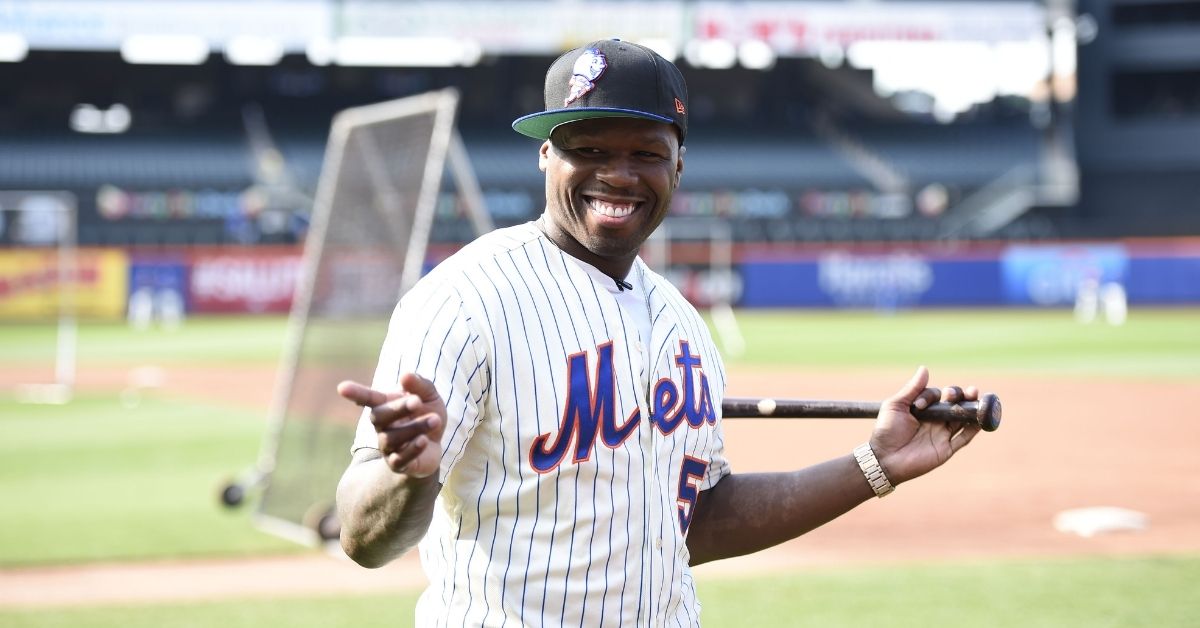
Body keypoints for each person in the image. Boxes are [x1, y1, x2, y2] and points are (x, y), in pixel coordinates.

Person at [334, 38, 982, 626]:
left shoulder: (682, 325)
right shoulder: (464, 301)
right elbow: (364, 539)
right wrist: (408, 475)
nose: (617, 174)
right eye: (588, 150)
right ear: (544, 156)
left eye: (645, 154)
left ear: (677, 168)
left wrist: (875, 465)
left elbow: (695, 519)